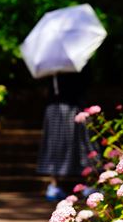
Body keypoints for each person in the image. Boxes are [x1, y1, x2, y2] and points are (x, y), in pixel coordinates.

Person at [36, 67, 96, 201]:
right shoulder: (76, 64)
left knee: (56, 145)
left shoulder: (50, 64)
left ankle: (54, 185)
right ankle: (88, 183)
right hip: (71, 107)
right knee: (83, 143)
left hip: (54, 108)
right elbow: (86, 83)